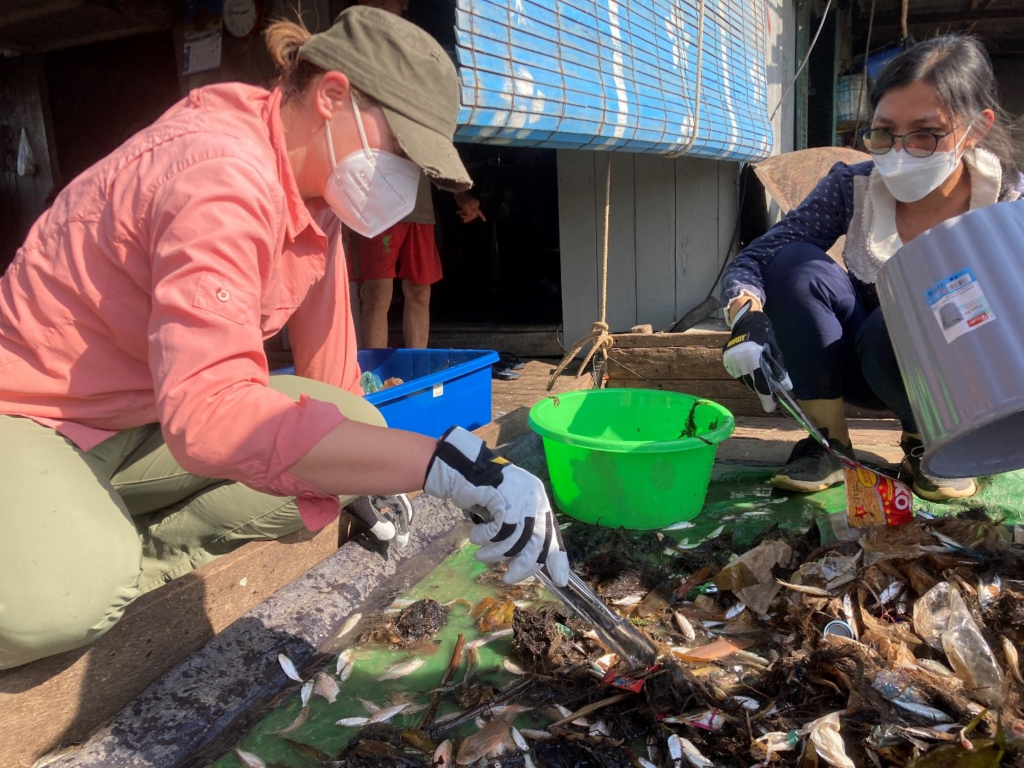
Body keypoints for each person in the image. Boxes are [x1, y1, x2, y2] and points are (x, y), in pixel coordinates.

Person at [0, 6, 567, 671]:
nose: (406, 179)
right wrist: (443, 462)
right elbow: (211, 416)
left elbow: (332, 371)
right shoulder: (219, 174)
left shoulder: (315, 190)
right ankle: (85, 553)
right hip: (35, 415)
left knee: (352, 428)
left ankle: (116, 547)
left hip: (145, 412)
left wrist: (379, 470)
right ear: (332, 96)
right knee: (63, 602)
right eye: (401, 152)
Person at [720, 34, 1024, 501]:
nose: (899, 152)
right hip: (861, 365)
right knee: (794, 263)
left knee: (914, 306)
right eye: (883, 132)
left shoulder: (1009, 201)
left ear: (974, 129)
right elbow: (760, 255)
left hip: (972, 384)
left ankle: (929, 441)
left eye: (925, 134)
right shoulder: (855, 187)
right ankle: (828, 443)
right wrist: (746, 315)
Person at [350, 0, 485, 350]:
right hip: (374, 196)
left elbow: (436, 138)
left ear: (405, 5)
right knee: (378, 292)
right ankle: (375, 384)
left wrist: (460, 193)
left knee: (420, 291)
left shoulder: (418, 58)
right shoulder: (352, 54)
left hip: (417, 199)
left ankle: (415, 373)